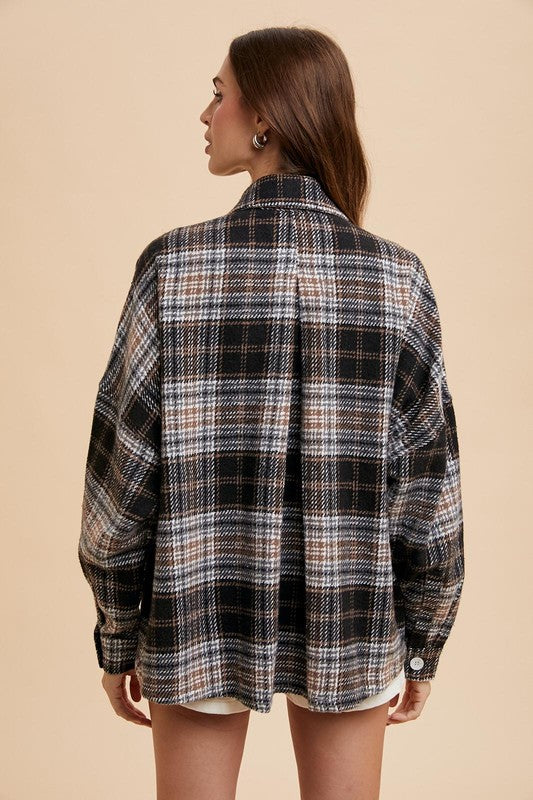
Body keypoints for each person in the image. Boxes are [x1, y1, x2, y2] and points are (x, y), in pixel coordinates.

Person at [78, 25, 465, 800]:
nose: (205, 113)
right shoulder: (398, 279)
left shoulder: (171, 268)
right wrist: (422, 640)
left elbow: (121, 480)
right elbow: (427, 491)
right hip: (349, 617)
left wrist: (118, 630)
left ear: (264, 118)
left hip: (196, 609)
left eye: (218, 93)